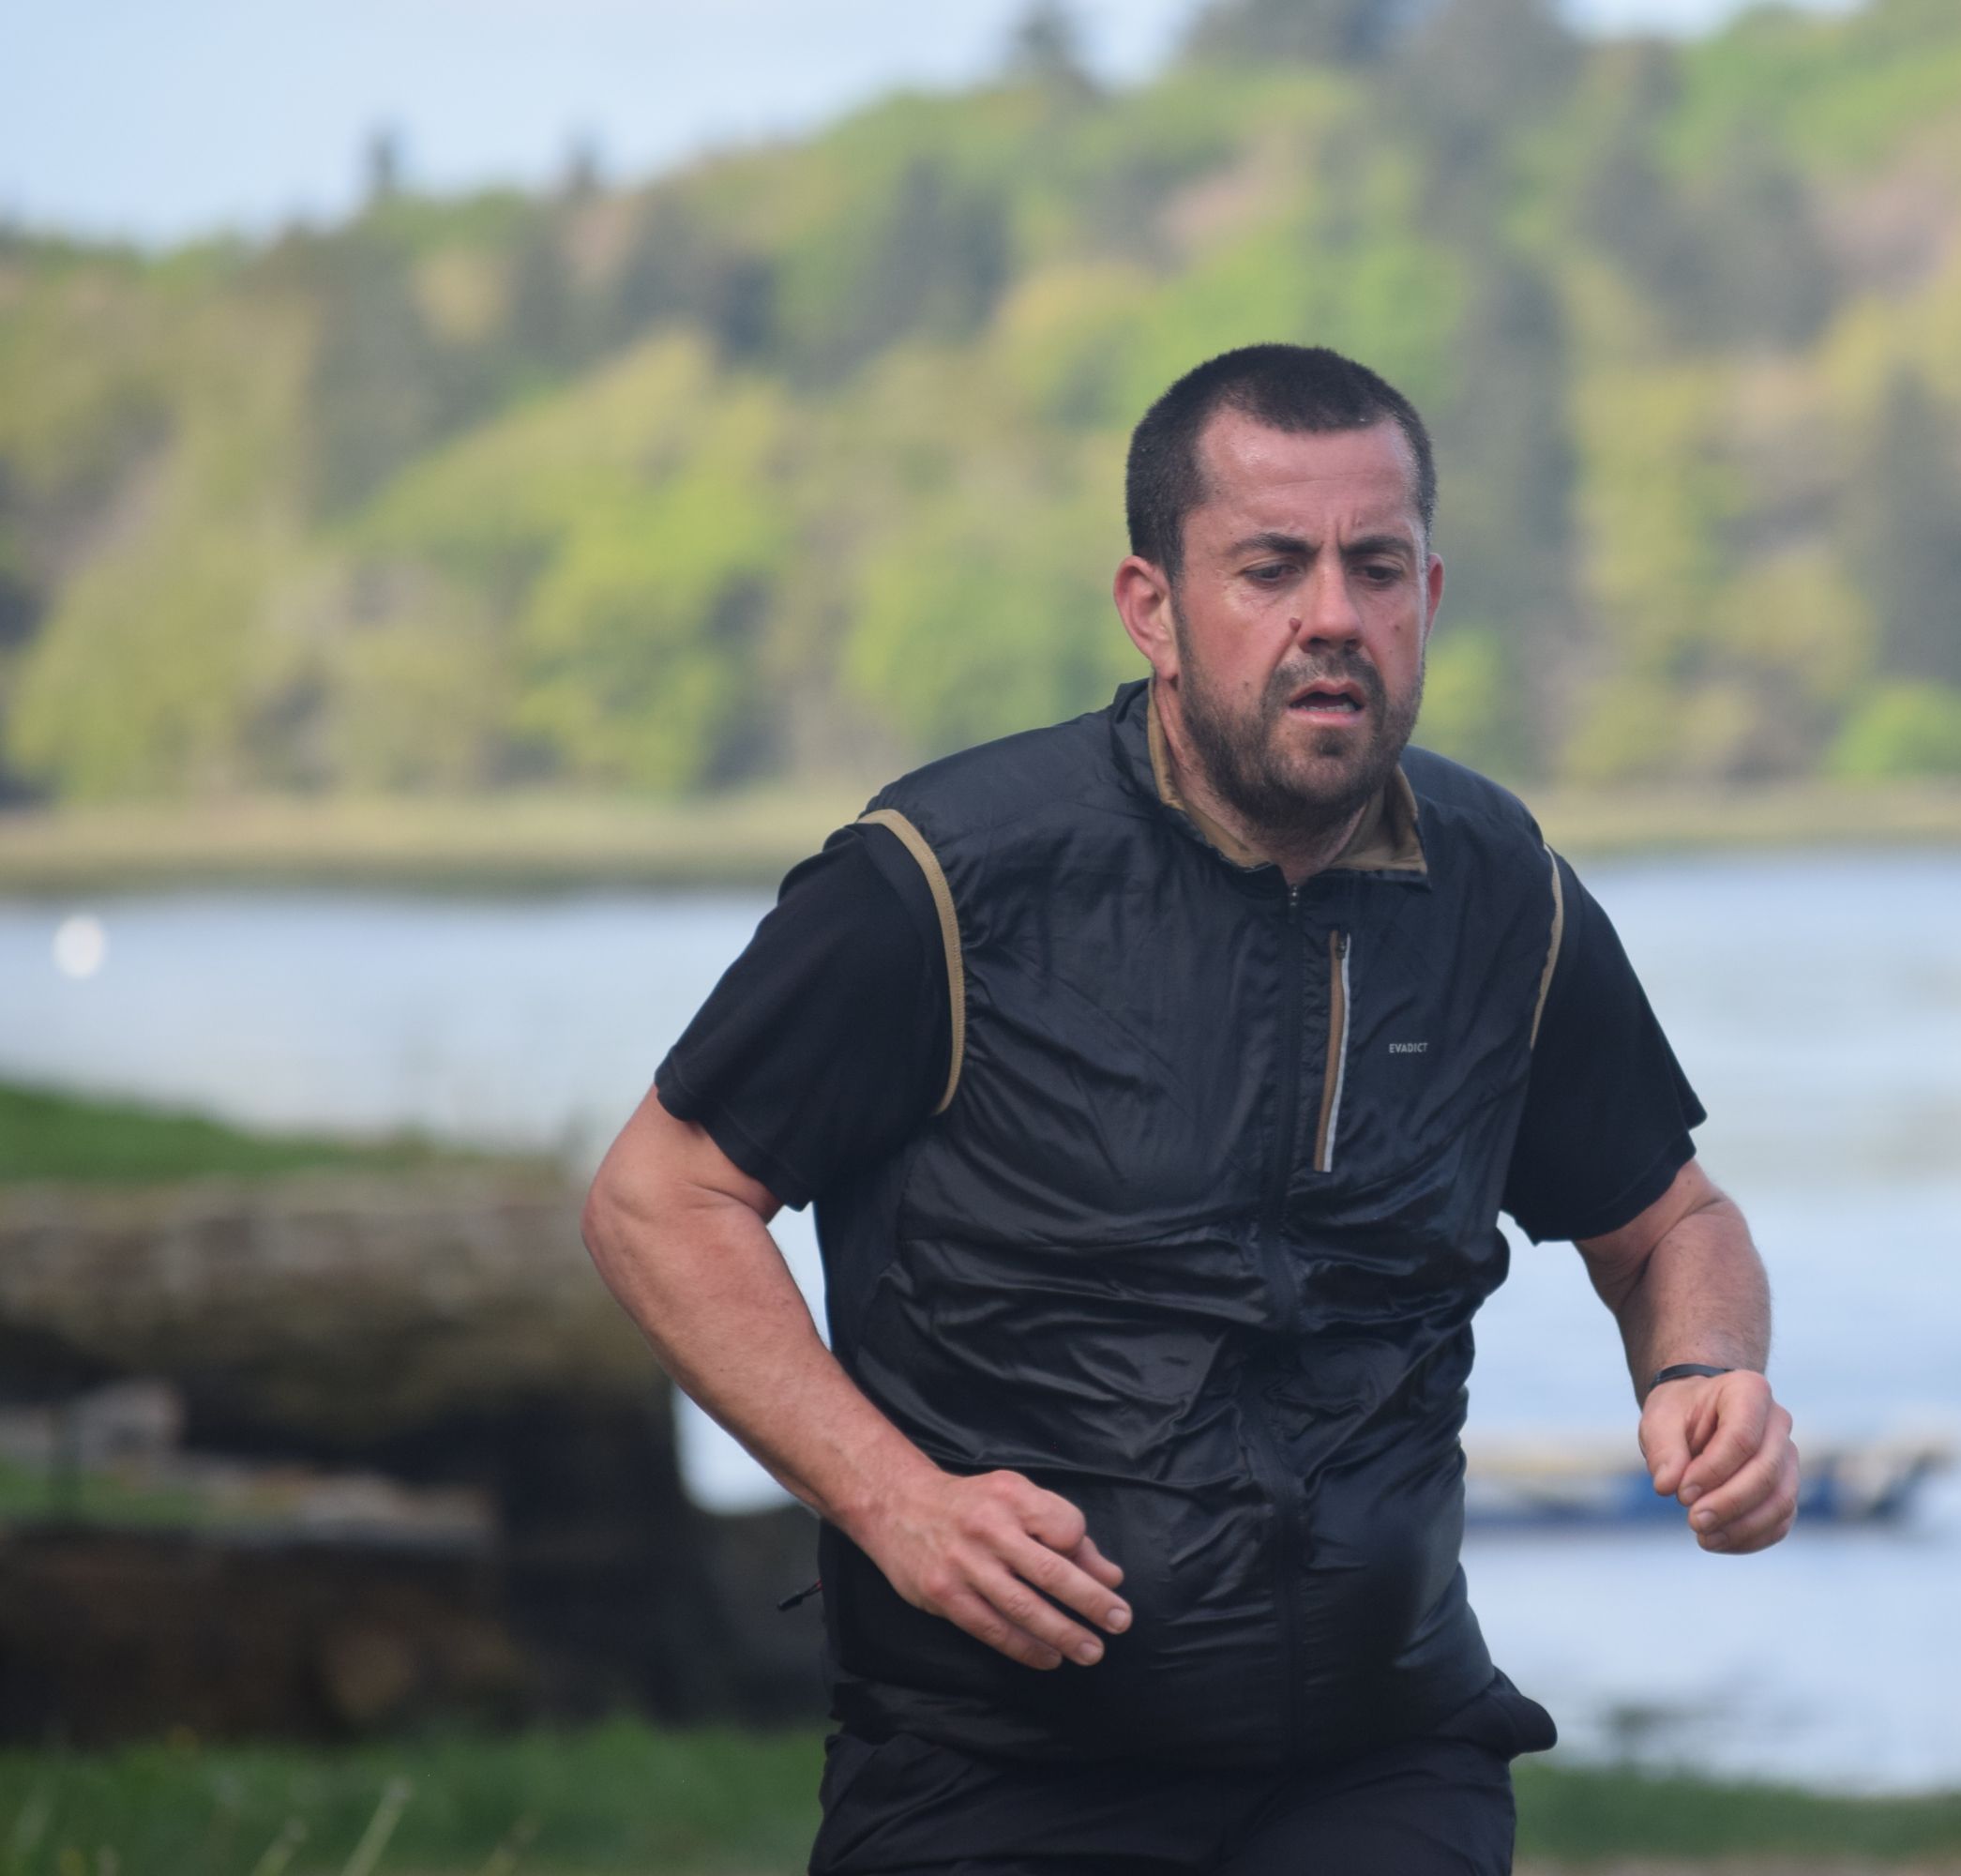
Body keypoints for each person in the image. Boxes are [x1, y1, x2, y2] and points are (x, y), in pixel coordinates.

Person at [580, 342, 1800, 1875]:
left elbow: (1670, 1222)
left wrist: (1707, 1371)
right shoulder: (945, 883)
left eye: (1376, 566)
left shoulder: (1507, 895)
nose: (1332, 616)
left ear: (1430, 594)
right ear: (1150, 606)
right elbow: (661, 1197)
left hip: (1388, 1759)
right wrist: (894, 1502)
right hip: (996, 1771)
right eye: (1271, 568)